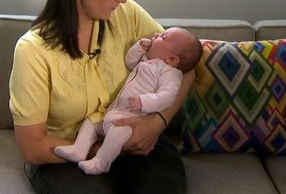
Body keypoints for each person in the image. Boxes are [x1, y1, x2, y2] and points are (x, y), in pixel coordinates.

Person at [9, 0, 195, 194]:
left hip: (139, 140)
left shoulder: (127, 14)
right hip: (67, 156)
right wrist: (106, 149)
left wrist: (155, 124)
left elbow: (185, 70)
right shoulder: (33, 51)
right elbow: (32, 147)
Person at [55, 27, 202, 175]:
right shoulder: (146, 60)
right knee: (90, 122)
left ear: (172, 59)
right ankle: (79, 149)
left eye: (162, 37)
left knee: (116, 135)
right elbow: (129, 62)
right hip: (114, 112)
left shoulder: (170, 74)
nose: (156, 34)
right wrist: (138, 48)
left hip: (131, 121)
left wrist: (144, 102)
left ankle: (101, 162)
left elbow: (167, 96)